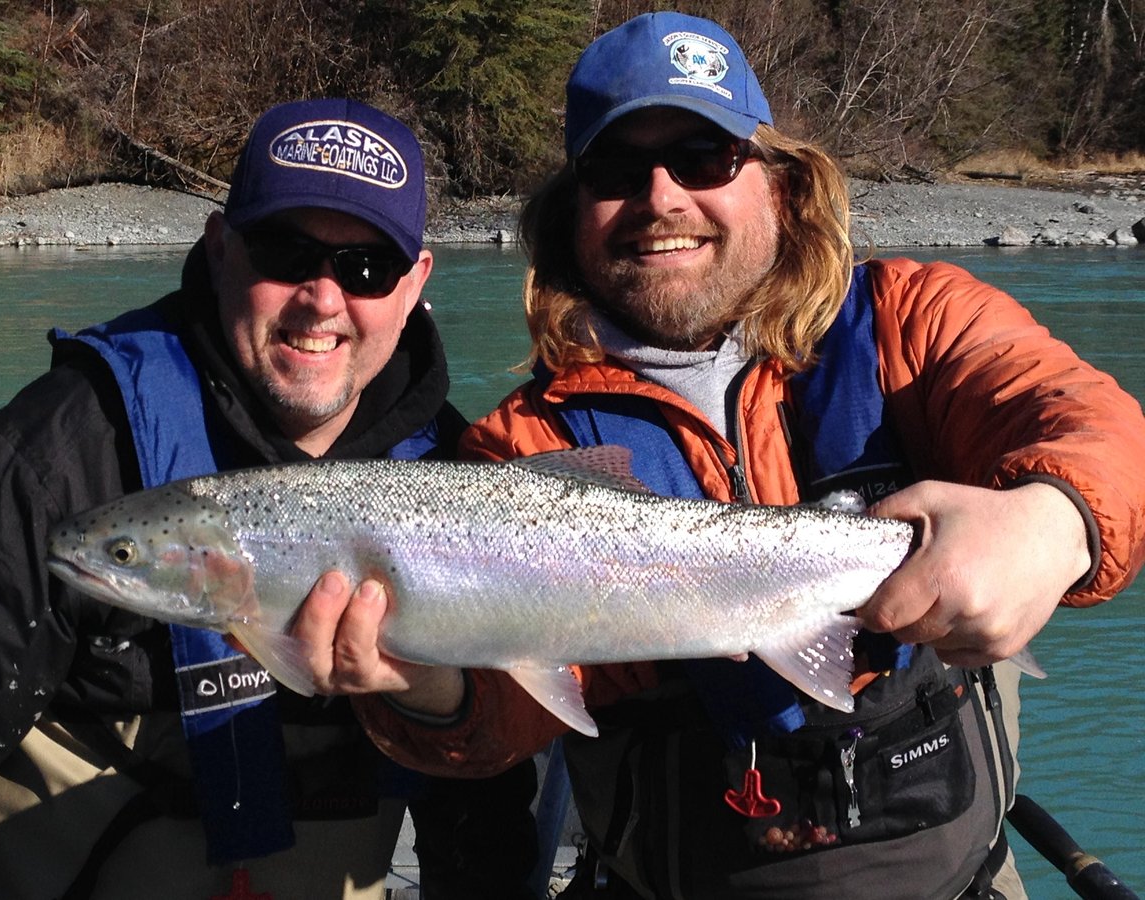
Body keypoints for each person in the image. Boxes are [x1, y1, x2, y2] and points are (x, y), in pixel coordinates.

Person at [294, 13, 1145, 900]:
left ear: (780, 184)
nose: (660, 199)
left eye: (703, 158)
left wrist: (1052, 522)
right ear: (569, 214)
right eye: (618, 172)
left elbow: (1093, 425)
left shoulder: (911, 322)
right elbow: (509, 712)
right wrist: (428, 688)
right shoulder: (523, 446)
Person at [0, 98, 538, 900]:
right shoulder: (53, 459)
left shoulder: (456, 470)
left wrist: (436, 705)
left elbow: (482, 819)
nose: (322, 300)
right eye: (285, 252)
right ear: (220, 247)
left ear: (414, 285)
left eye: (366, 268)